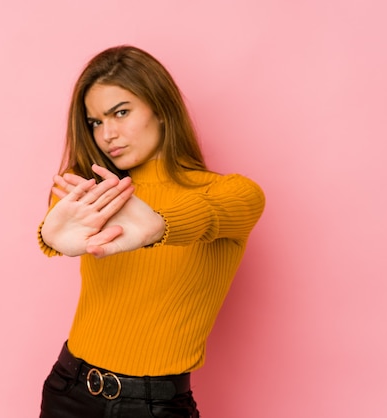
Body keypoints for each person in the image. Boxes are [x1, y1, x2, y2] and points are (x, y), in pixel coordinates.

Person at [37, 45, 265, 418]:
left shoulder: (232, 193)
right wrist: (49, 236)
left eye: (121, 113)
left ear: (161, 109)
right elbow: (58, 225)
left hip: (153, 405)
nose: (107, 134)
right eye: (95, 122)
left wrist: (161, 225)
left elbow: (207, 214)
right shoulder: (91, 191)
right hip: (69, 389)